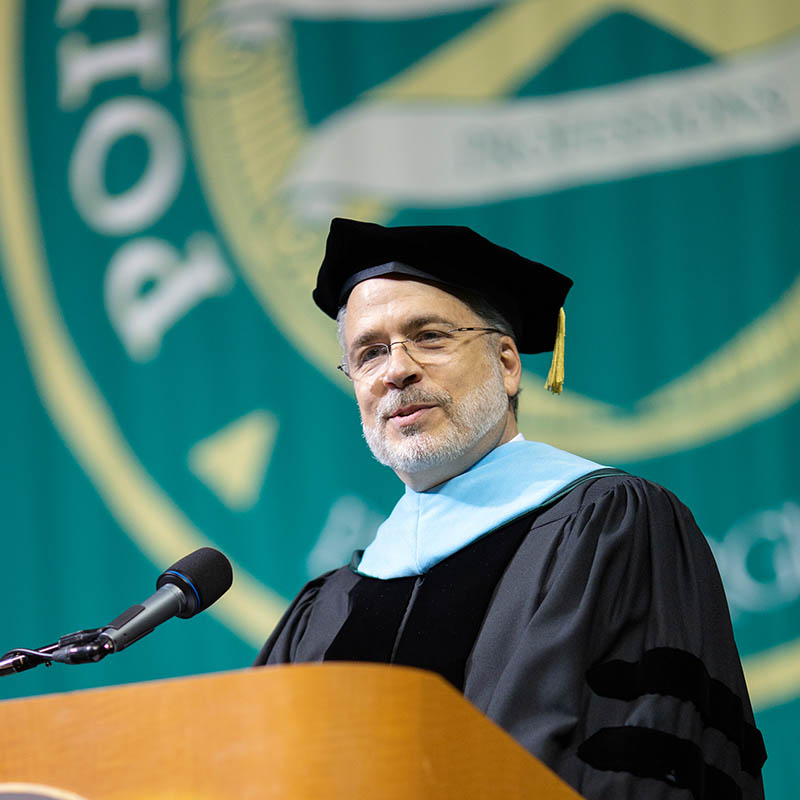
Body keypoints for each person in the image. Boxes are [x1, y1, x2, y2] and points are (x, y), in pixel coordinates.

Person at [255, 218, 766, 798]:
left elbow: (657, 758)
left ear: (506, 362)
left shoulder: (611, 529)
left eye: (429, 336)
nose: (396, 370)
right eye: (369, 353)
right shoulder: (327, 608)